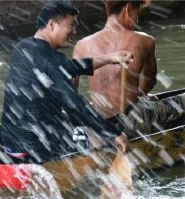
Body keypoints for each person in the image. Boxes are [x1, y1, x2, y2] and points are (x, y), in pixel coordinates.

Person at [0, 1, 132, 164]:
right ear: (52, 24)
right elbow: (74, 104)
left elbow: (65, 67)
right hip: (36, 150)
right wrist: (113, 133)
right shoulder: (53, 60)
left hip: (10, 144)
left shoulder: (23, 47)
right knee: (101, 139)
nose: (75, 31)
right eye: (72, 25)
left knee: (70, 120)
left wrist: (109, 58)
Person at [73, 0, 185, 138]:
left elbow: (71, 90)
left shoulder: (81, 45)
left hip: (100, 124)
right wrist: (138, 97)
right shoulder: (144, 40)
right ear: (127, 9)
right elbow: (150, 81)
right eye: (137, 10)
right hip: (133, 122)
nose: (137, 17)